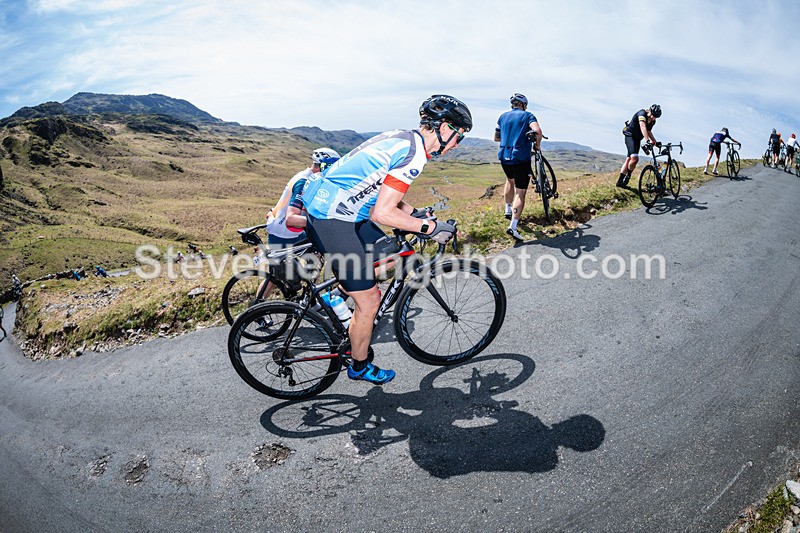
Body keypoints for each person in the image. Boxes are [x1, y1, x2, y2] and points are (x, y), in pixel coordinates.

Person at [302, 94, 470, 385]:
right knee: (370, 300)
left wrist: (415, 214)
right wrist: (429, 228)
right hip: (332, 217)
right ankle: (359, 365)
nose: (457, 144)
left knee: (387, 255)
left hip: (342, 211)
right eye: (459, 136)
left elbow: (384, 193)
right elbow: (383, 213)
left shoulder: (406, 139)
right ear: (444, 128)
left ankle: (340, 295)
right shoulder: (414, 154)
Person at [266, 147, 341, 249]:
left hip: (294, 232)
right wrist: (324, 223)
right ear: (324, 166)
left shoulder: (311, 177)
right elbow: (291, 219)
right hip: (282, 236)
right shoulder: (304, 182)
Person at [494, 93, 542, 242]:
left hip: (504, 156)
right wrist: (537, 145)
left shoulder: (502, 117)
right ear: (524, 105)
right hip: (520, 158)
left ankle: (507, 209)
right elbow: (537, 131)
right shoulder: (528, 116)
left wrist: (509, 138)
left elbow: (496, 137)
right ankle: (513, 226)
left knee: (510, 180)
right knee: (520, 192)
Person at [617, 104, 661, 187]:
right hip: (630, 136)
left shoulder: (653, 121)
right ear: (650, 111)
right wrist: (647, 140)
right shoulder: (642, 114)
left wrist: (655, 142)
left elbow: (648, 131)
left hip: (637, 139)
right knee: (634, 159)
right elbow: (643, 126)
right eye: (653, 115)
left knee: (629, 159)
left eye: (655, 117)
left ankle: (620, 182)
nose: (653, 118)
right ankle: (628, 176)